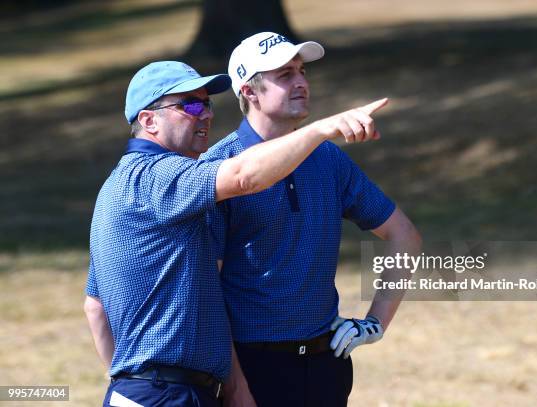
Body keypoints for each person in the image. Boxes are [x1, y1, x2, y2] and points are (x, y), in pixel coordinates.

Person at [83, 60, 389, 407]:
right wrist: (321, 130)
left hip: (148, 393)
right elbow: (244, 176)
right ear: (148, 120)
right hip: (168, 395)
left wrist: (128, 388)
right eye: (190, 105)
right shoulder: (158, 178)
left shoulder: (117, 186)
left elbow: (95, 307)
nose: (205, 114)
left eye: (208, 104)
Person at [202, 32, 422, 407]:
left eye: (301, 71)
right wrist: (236, 387)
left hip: (326, 366)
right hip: (253, 370)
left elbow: (404, 236)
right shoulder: (217, 171)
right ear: (249, 92)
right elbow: (205, 293)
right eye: (284, 75)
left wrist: (375, 324)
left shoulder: (329, 160)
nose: (301, 81)